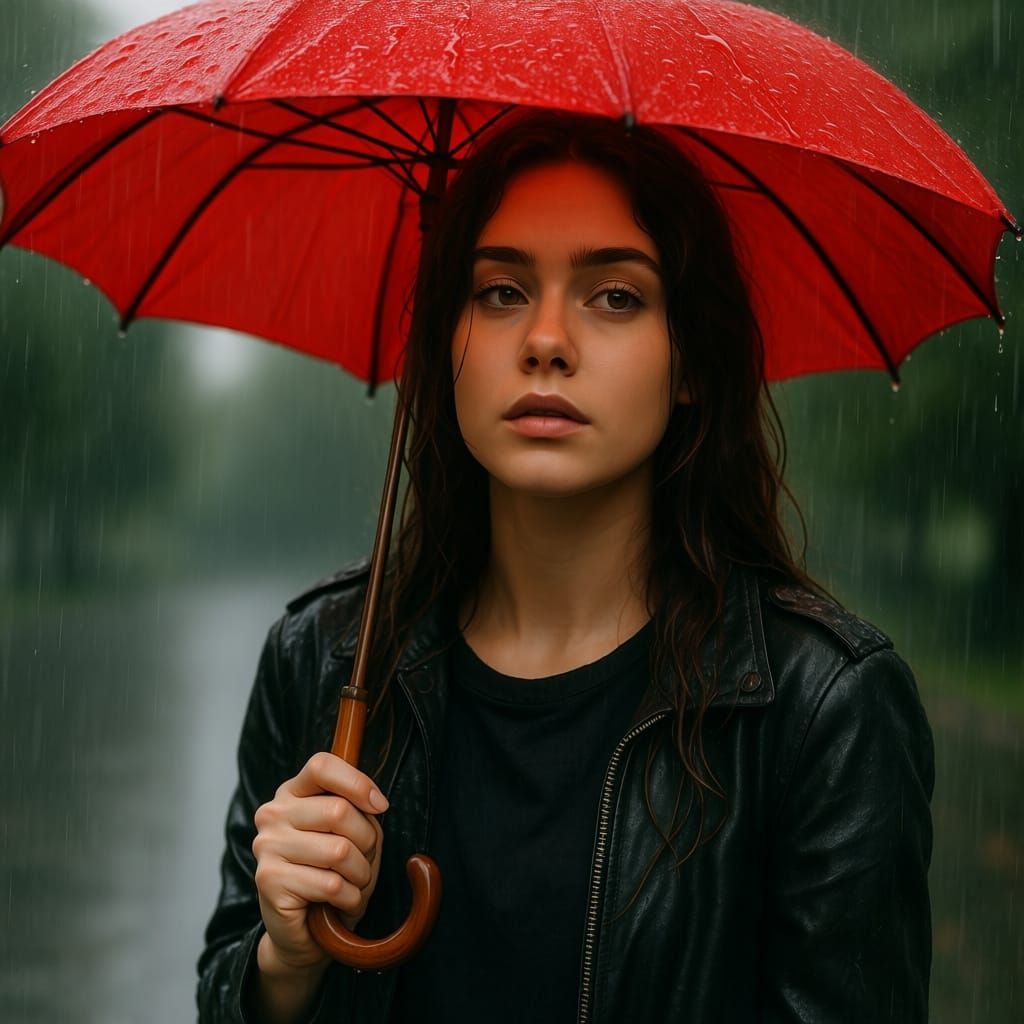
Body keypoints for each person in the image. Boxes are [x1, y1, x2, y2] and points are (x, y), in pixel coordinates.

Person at [196, 110, 934, 1023]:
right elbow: (227, 989)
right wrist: (284, 959)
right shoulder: (323, 660)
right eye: (500, 291)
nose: (545, 339)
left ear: (691, 362)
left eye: (614, 295)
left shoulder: (825, 710)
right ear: (446, 343)